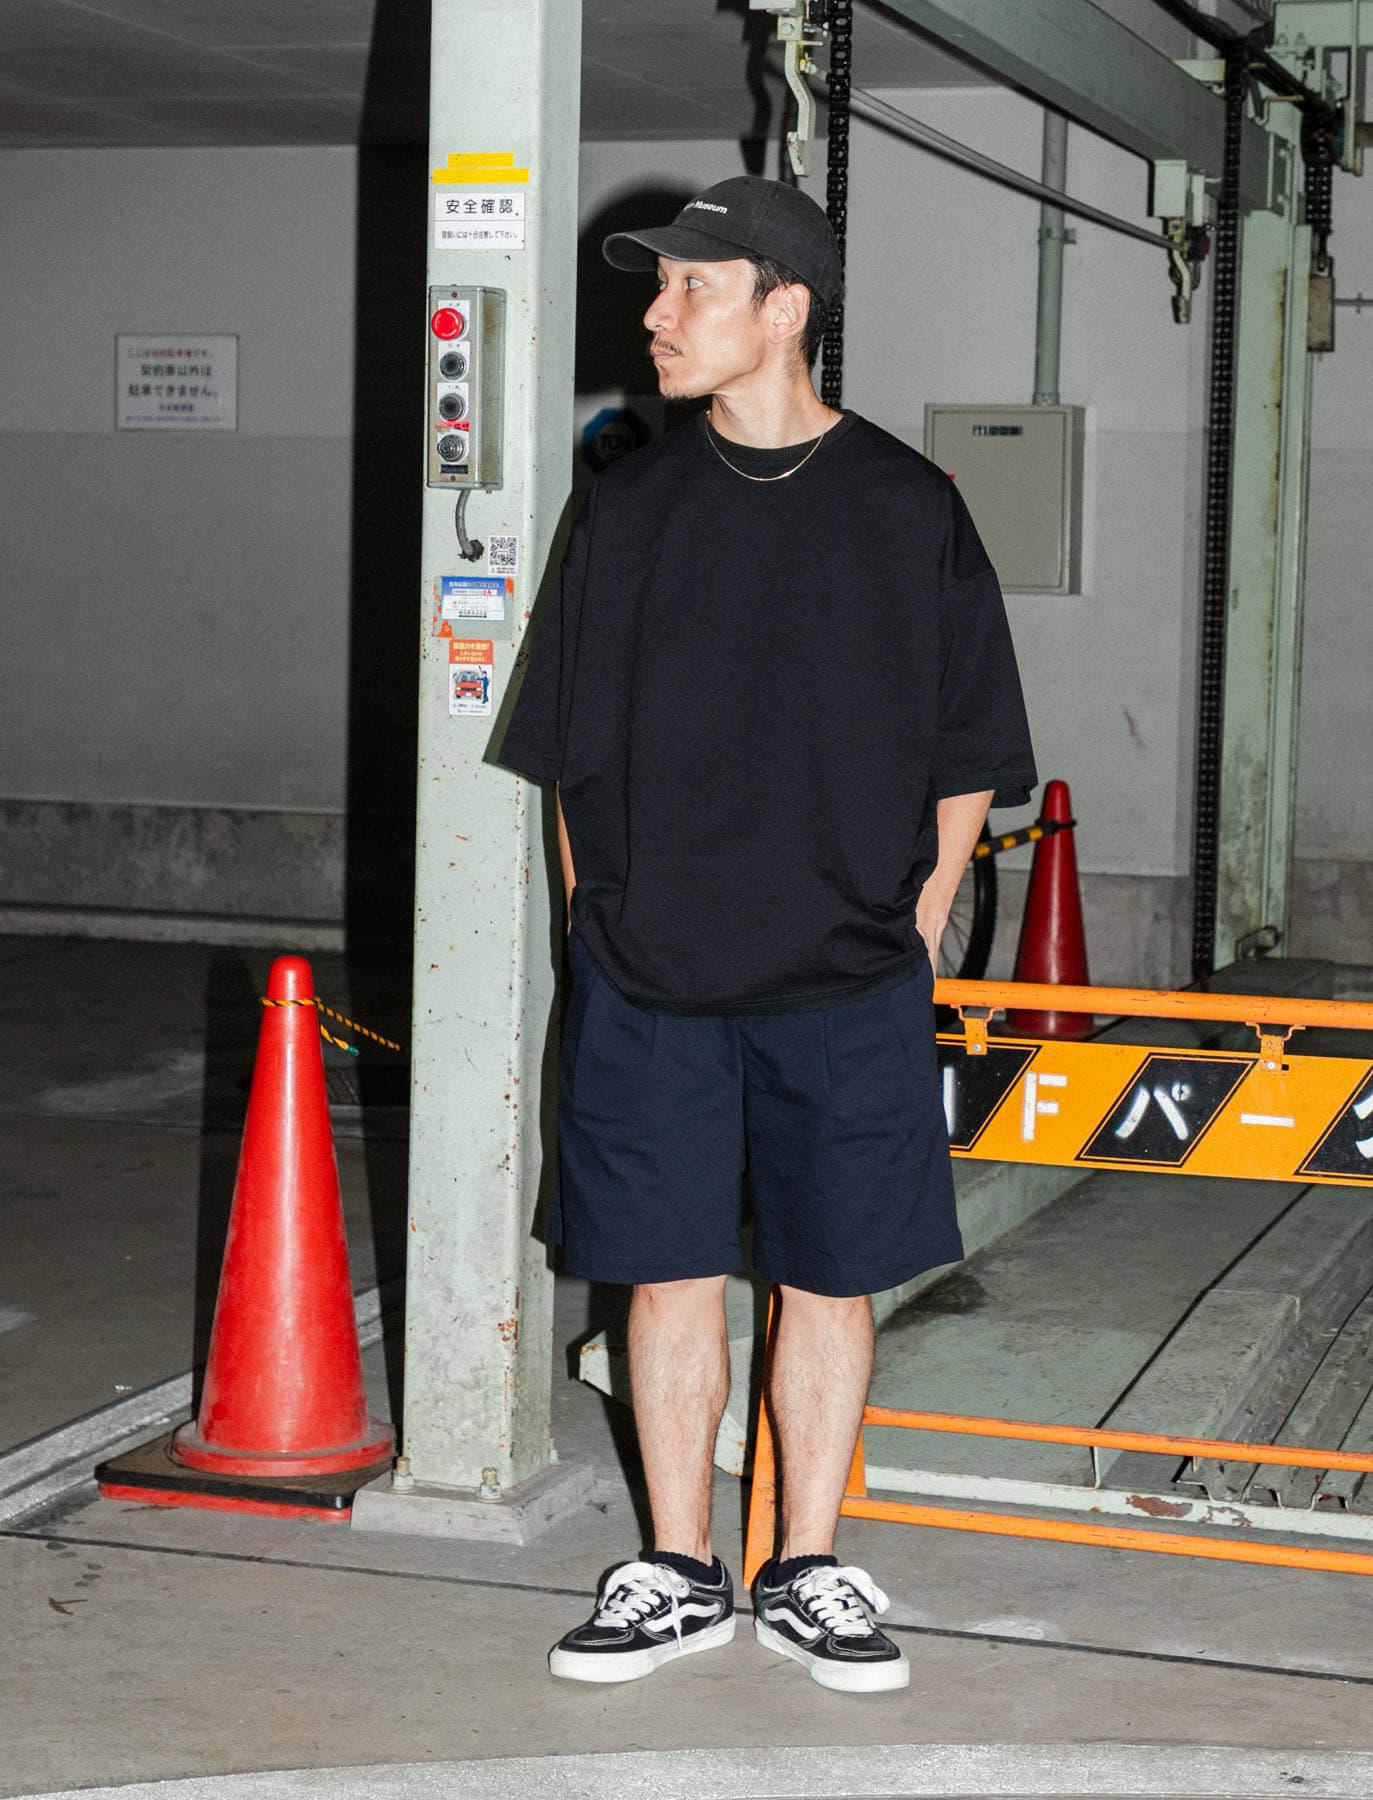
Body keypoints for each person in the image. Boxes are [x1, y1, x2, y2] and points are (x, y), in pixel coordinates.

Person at [496, 175, 1035, 1693]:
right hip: (650, 980)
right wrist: (598, 927)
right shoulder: (630, 508)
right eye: (657, 287)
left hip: (845, 978)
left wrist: (915, 921)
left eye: (693, 287)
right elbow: (572, 751)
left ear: (784, 308)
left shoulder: (908, 508)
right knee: (662, 1272)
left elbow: (970, 748)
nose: (656, 316)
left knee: (829, 1275)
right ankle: (676, 1569)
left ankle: (806, 1566)